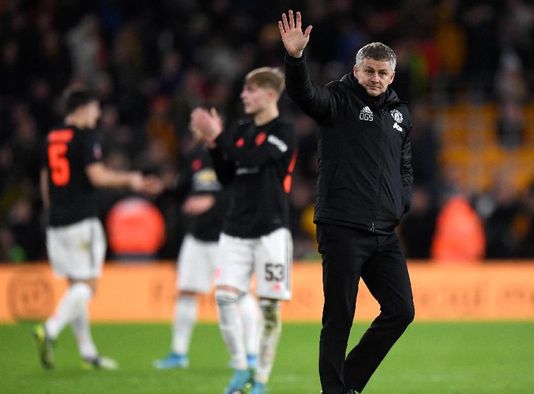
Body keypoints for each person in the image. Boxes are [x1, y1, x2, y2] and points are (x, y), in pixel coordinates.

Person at [279, 10, 415, 394]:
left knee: (402, 311)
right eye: (369, 71)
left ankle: (349, 381)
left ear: (392, 76)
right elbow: (305, 95)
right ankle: (335, 390)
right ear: (356, 71)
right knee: (340, 316)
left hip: (383, 232)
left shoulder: (401, 114)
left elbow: (405, 166)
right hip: (342, 228)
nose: (375, 78)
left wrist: (401, 202)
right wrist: (295, 59)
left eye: (382, 73)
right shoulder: (338, 101)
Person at [34, 88, 162, 370]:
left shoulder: (52, 136)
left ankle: (88, 353)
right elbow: (97, 175)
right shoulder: (85, 136)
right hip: (82, 220)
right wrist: (132, 180)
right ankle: (50, 329)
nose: (98, 114)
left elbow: (45, 180)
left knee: (75, 287)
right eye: (95, 108)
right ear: (81, 109)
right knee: (87, 286)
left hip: (56, 222)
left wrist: (52, 211)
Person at [189, 67, 297, 394]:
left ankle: (261, 379)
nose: (243, 96)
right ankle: (240, 368)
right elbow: (227, 176)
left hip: (271, 231)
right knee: (223, 298)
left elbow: (257, 158)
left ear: (269, 94)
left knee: (268, 309)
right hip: (236, 228)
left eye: (250, 91)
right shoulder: (241, 129)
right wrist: (212, 144)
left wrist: (219, 137)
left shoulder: (284, 131)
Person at [153, 133, 260, 369]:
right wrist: (162, 190)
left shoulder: (231, 154)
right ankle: (179, 354)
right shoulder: (194, 157)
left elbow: (243, 191)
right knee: (187, 293)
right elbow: (183, 191)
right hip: (197, 238)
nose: (193, 128)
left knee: (239, 294)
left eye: (199, 123)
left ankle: (252, 353)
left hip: (228, 238)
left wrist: (212, 202)